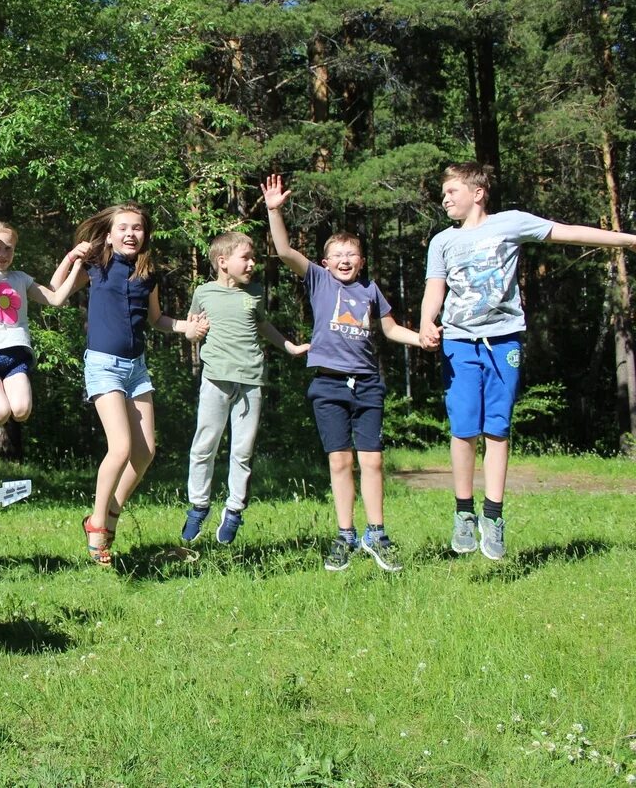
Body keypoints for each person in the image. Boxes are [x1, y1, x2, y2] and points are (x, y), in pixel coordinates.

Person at [419, 162, 636, 560]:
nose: (445, 198)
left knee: (497, 428)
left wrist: (627, 239)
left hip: (504, 341)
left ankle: (493, 516)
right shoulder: (441, 242)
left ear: (478, 193)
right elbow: (435, 287)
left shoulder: (510, 223)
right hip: (459, 342)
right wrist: (425, 323)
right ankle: (464, 513)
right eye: (444, 193)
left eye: (452, 191)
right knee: (464, 428)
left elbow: (566, 233)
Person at [264, 175, 423, 572]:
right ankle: (345, 536)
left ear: (362, 260)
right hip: (328, 384)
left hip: (367, 384)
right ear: (325, 262)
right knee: (339, 462)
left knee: (371, 461)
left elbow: (389, 329)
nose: (345, 260)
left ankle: (377, 534)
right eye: (338, 255)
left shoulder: (370, 290)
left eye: (352, 254)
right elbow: (283, 251)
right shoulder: (318, 281)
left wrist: (422, 339)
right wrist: (274, 210)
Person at [50, 203, 207, 566]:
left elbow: (157, 319)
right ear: (109, 234)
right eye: (123, 228)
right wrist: (72, 256)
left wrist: (187, 328)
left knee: (146, 451)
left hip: (136, 368)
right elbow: (57, 291)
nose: (130, 234)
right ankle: (97, 524)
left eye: (137, 228)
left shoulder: (146, 273)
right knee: (120, 448)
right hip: (103, 365)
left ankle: (110, 512)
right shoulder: (96, 266)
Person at [179, 230, 308, 549]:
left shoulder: (254, 293)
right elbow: (191, 329)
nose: (252, 264)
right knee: (204, 445)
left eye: (253, 258)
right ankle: (199, 505)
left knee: (242, 451)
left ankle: (234, 509)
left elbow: (262, 325)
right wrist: (193, 334)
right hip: (215, 379)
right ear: (222, 262)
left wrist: (288, 346)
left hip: (251, 381)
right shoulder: (204, 292)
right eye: (245, 258)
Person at [0, 219, 82, 427]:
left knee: (21, 412)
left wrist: (74, 261)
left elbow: (55, 298)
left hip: (17, 355)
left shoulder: (21, 278)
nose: (2, 254)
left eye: (8, 249)